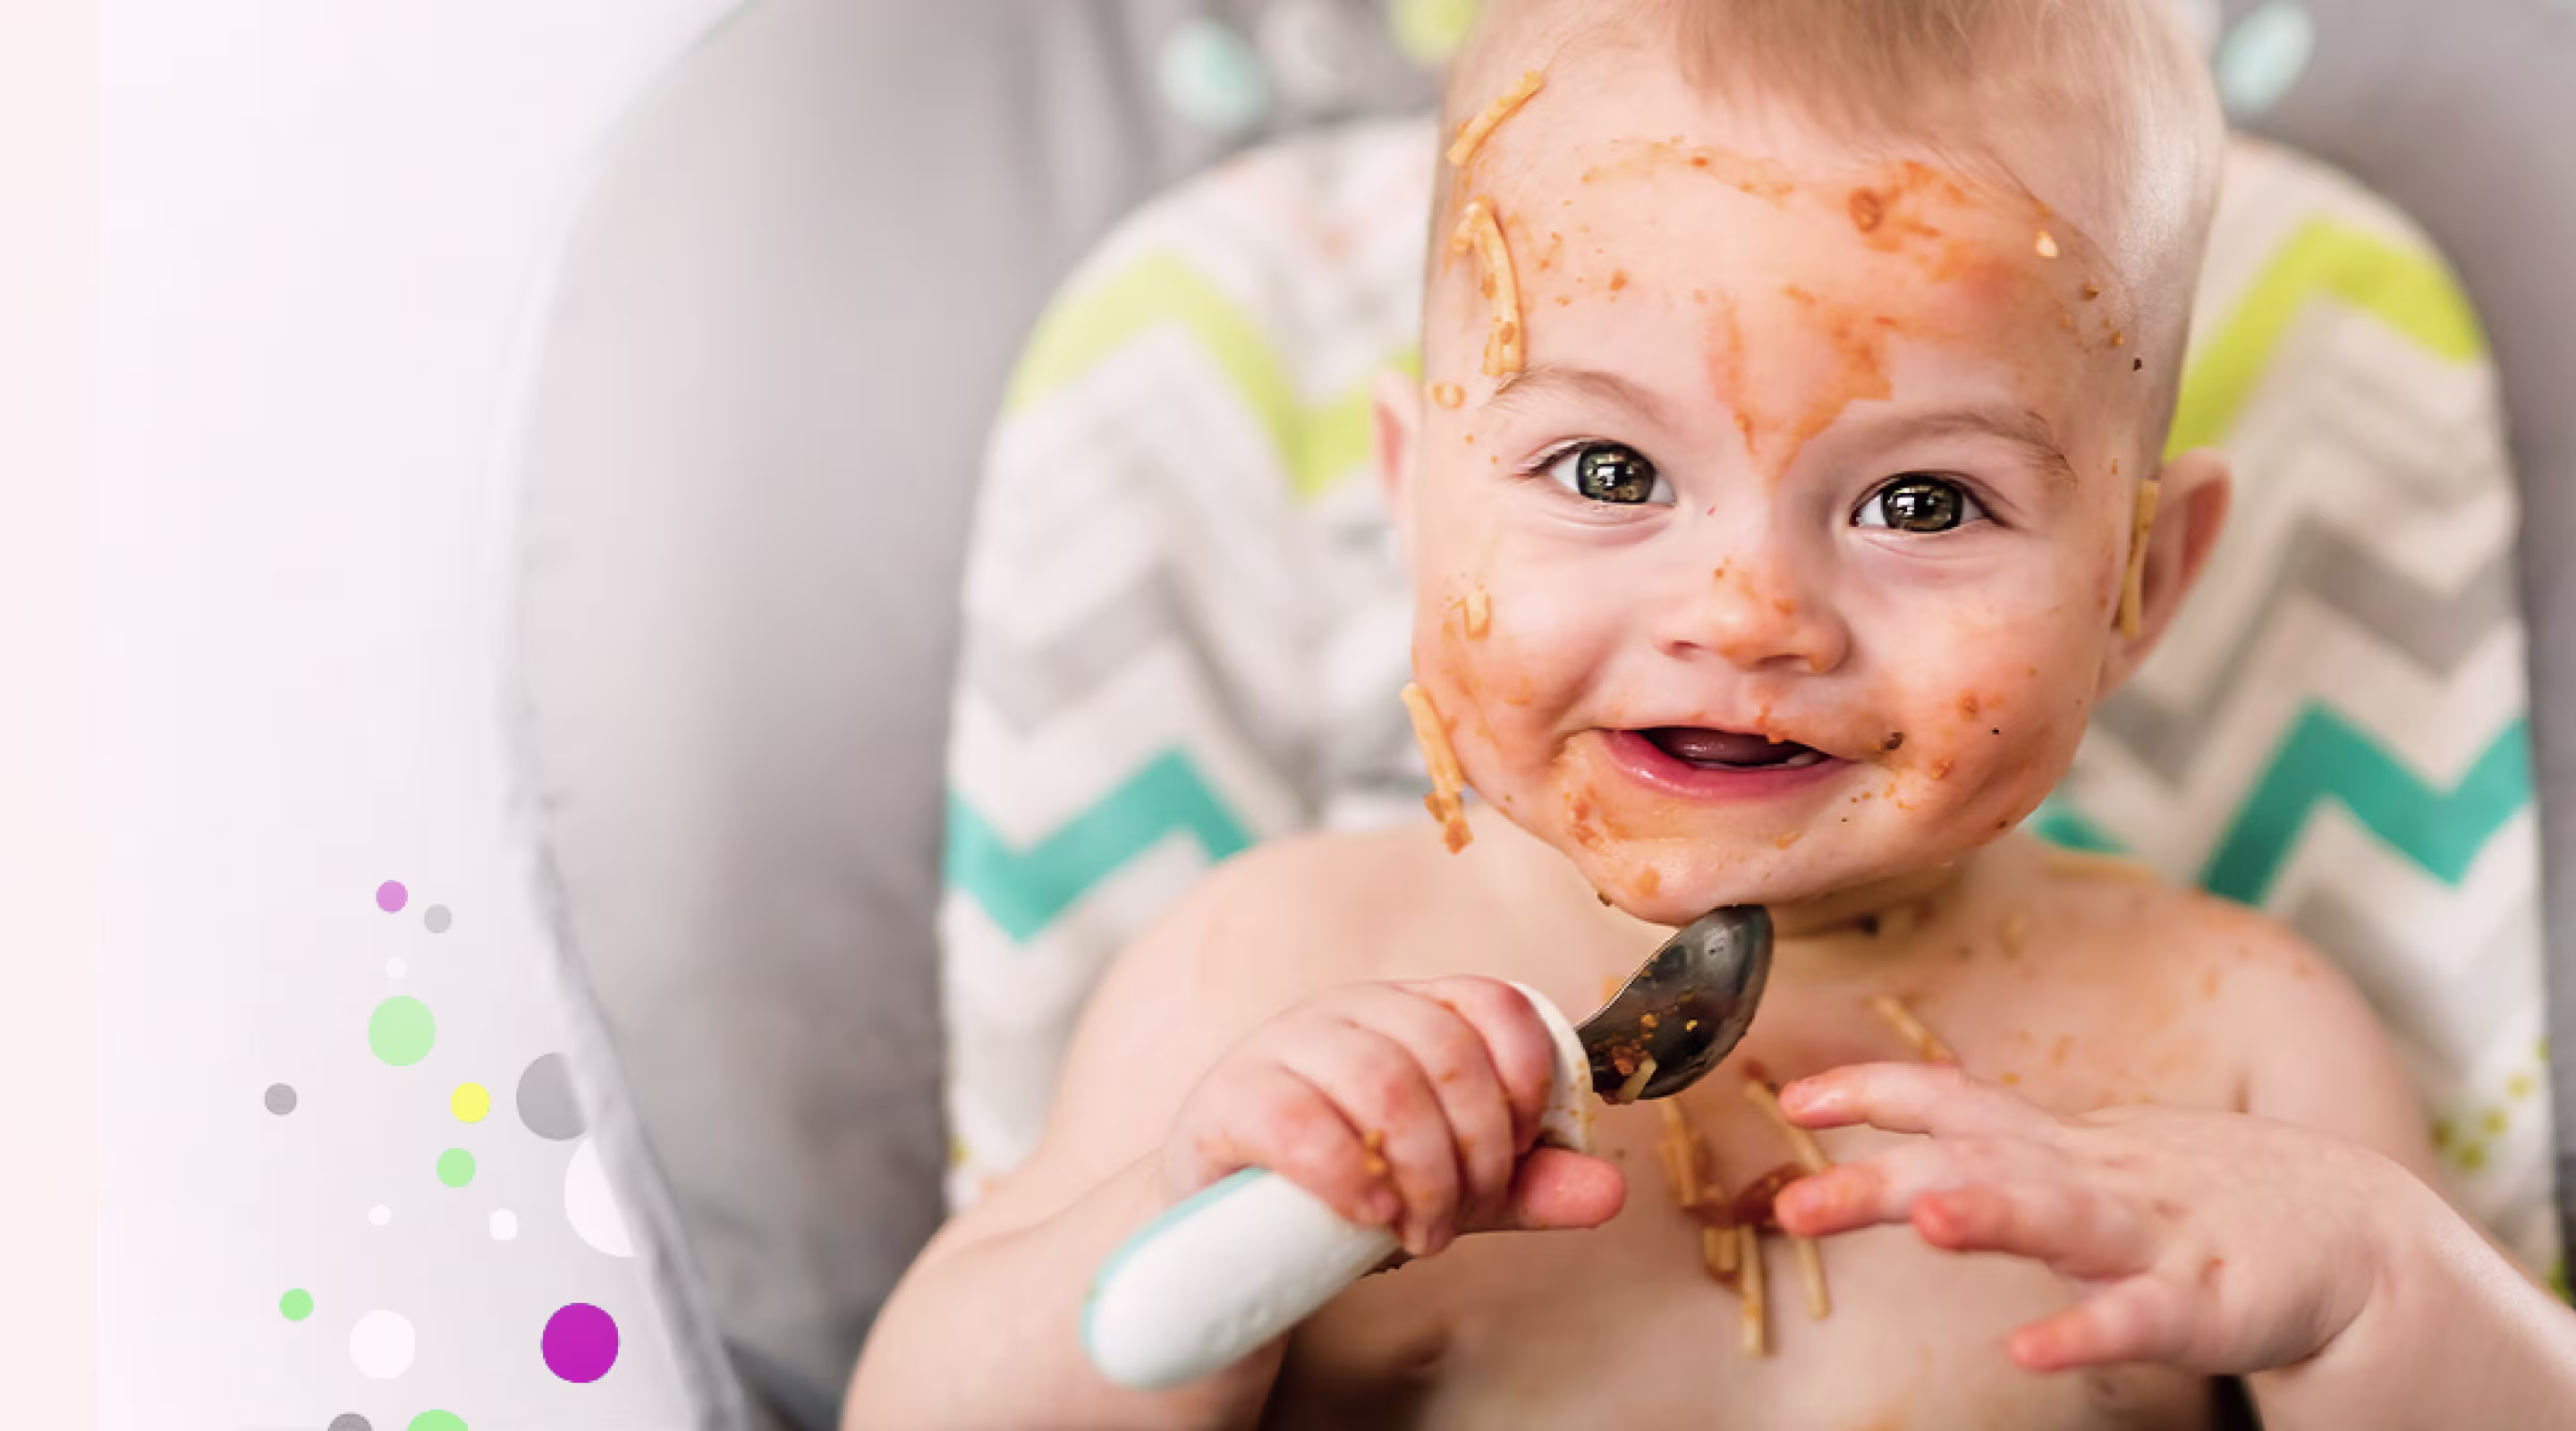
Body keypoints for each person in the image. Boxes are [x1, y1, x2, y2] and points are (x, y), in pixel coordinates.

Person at [849, 1, 2576, 1424]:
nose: (1747, 615)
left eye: (1920, 504)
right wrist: (1192, 1211)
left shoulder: (2238, 1044)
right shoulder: (1268, 977)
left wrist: (2377, 1293)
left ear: (2136, 588)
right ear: (1412, 497)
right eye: (1608, 469)